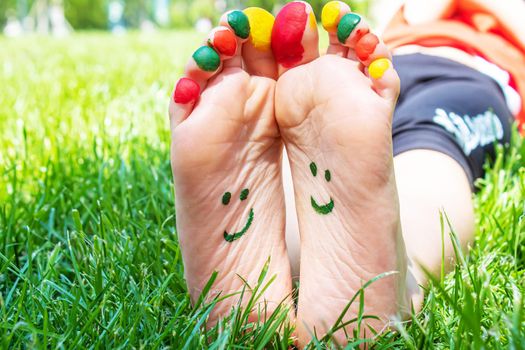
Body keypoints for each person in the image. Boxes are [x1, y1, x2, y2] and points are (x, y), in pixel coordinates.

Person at [168, 0, 525, 347]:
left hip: (460, 75)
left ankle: (297, 275)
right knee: (359, 169)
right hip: (372, 81)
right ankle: (367, 275)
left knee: (401, 159)